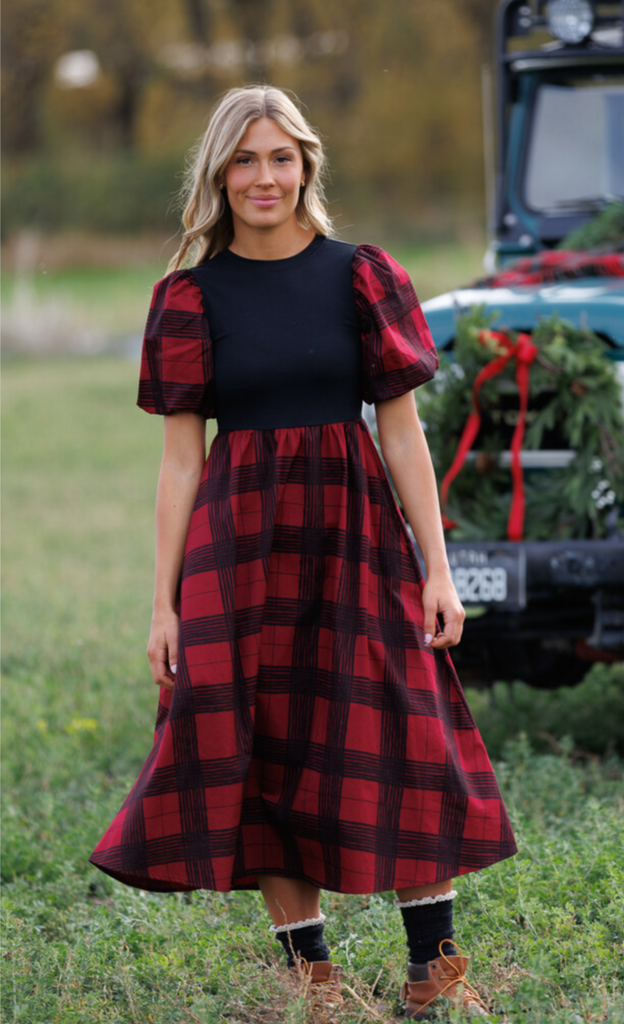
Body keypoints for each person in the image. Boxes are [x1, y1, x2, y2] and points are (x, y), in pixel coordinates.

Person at [90, 85, 517, 1019]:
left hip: (357, 535)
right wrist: (163, 604)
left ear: (305, 166)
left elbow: (401, 433)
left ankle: (434, 971)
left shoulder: (360, 276)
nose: (263, 177)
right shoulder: (189, 297)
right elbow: (179, 462)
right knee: (264, 744)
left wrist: (438, 568)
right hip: (238, 547)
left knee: (405, 730)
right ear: (218, 176)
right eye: (243, 160)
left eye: (279, 157)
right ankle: (310, 980)